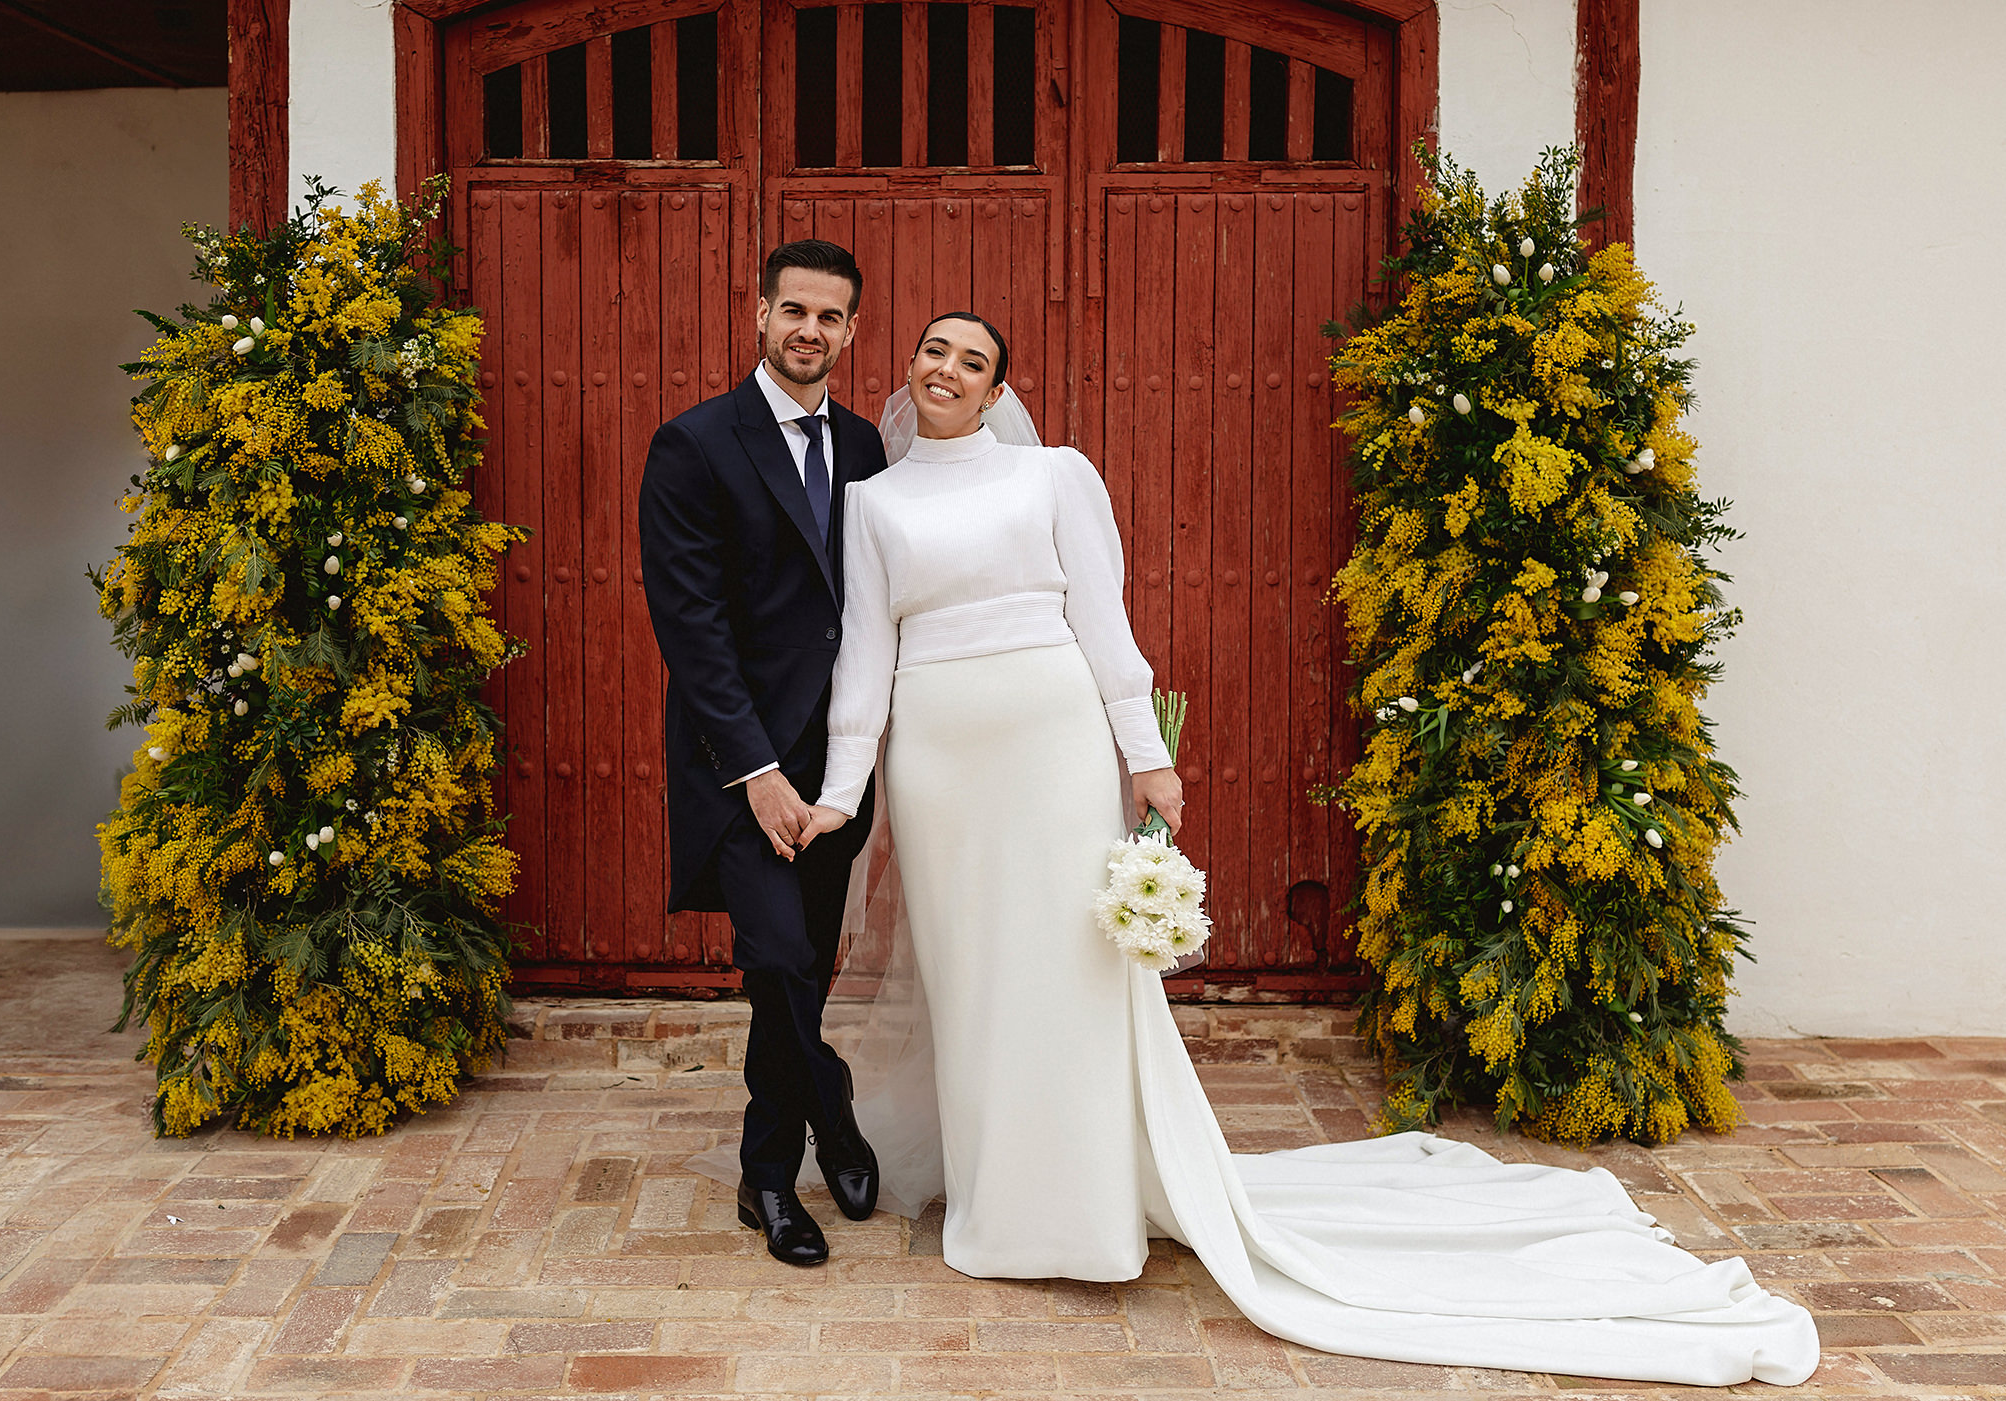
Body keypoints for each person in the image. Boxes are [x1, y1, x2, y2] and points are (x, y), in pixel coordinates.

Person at [791, 311, 1822, 1386]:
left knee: (1068, 971)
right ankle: (1003, 1197)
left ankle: (1088, 1210)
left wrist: (1148, 759)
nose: (949, 371)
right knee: (975, 979)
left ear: (1000, 392)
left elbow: (1106, 623)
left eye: (976, 361)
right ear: (908, 368)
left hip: (1050, 735)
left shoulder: (1054, 475)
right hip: (939, 759)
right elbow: (866, 655)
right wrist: (839, 791)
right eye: (935, 353)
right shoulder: (871, 504)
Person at [637, 239, 886, 1268]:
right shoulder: (694, 444)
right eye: (794, 311)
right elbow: (690, 625)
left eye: (830, 317)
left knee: (802, 976)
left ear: (852, 330)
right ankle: (780, 1166)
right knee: (778, 959)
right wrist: (758, 772)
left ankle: (797, 1123)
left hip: (834, 771)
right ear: (758, 314)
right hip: (737, 765)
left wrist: (848, 767)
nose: (809, 331)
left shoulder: (869, 448)